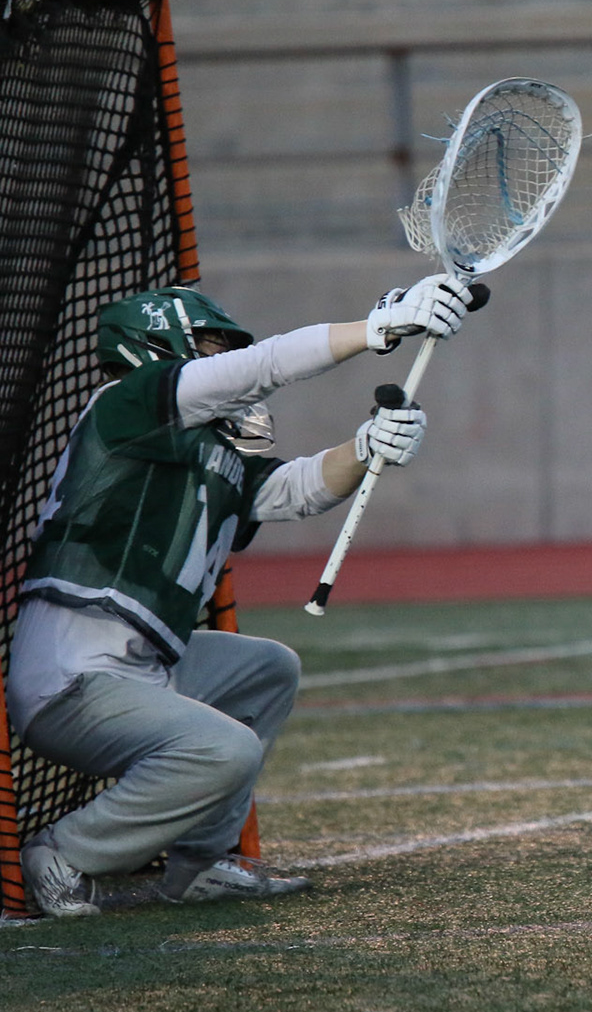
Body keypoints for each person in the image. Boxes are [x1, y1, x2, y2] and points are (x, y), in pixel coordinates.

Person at [8, 275, 480, 916]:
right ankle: (64, 853)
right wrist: (377, 329)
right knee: (227, 750)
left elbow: (292, 491)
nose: (221, 357)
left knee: (267, 668)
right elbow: (264, 366)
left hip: (137, 667)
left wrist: (365, 446)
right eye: (208, 345)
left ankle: (201, 863)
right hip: (70, 676)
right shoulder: (127, 403)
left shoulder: (199, 446)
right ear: (158, 343)